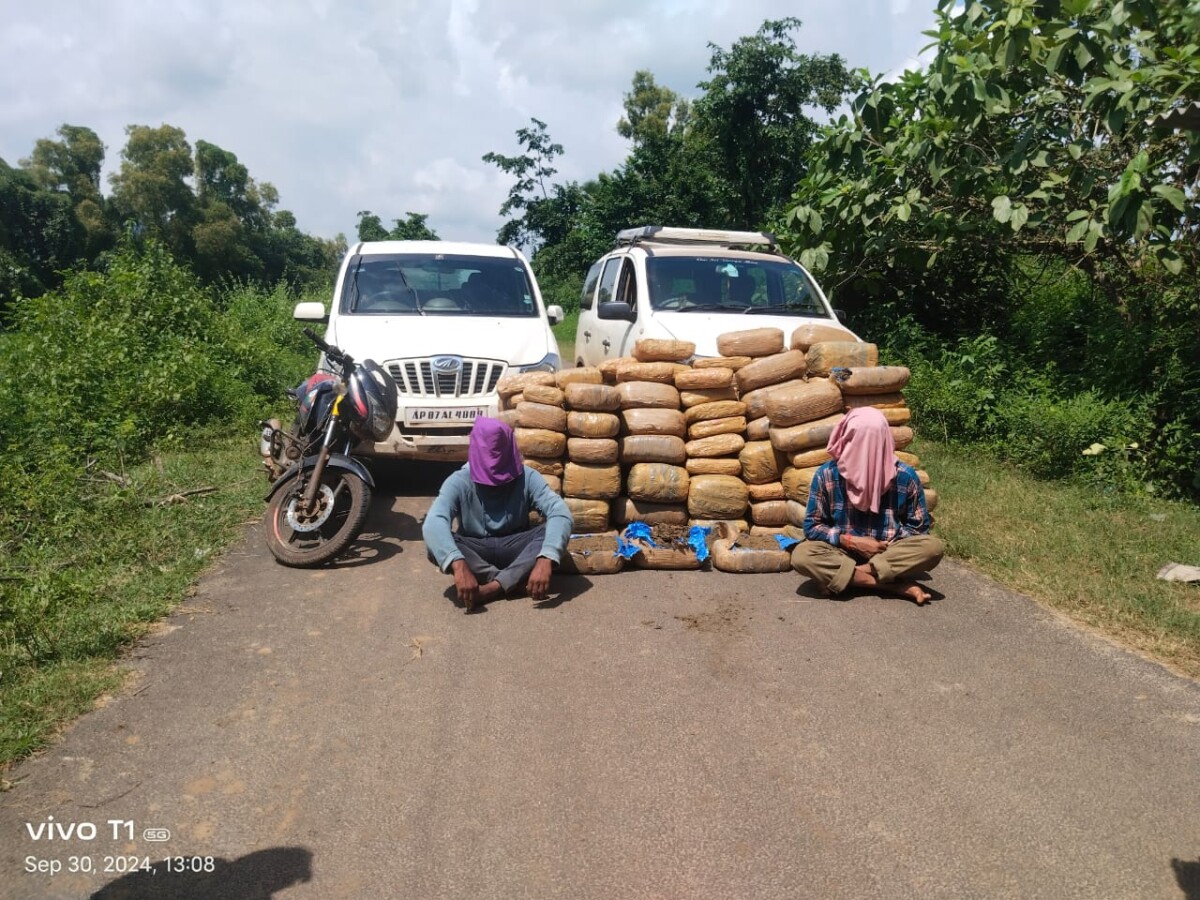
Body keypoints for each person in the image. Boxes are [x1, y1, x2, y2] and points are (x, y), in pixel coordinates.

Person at [791, 407, 943, 605]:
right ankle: (893, 585)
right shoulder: (827, 474)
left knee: (933, 548)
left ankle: (851, 577)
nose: (865, 451)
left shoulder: (905, 476)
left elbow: (918, 529)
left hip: (888, 553)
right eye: (858, 442)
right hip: (842, 551)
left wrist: (885, 543)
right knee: (802, 556)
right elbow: (812, 527)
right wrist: (851, 542)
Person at [423, 417, 572, 611]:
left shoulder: (527, 476)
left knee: (548, 532)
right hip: (477, 551)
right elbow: (433, 522)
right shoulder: (458, 481)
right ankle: (512, 581)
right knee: (437, 544)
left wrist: (546, 558)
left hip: (516, 546)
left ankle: (493, 588)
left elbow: (560, 512)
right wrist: (458, 563)